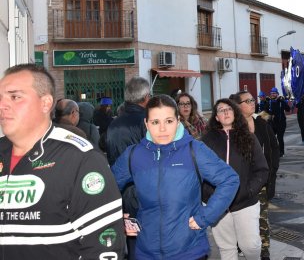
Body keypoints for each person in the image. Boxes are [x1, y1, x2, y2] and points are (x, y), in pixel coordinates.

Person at [0, 64, 125, 258]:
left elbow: (104, 246)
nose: (2, 105)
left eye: (15, 97)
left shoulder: (82, 159)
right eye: (0, 97)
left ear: (45, 103)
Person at [111, 94, 239, 259]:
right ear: (146, 124)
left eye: (169, 121)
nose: (162, 129)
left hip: (189, 251)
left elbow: (229, 180)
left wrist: (205, 217)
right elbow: (107, 188)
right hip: (146, 251)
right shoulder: (133, 155)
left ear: (178, 121)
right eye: (155, 122)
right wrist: (115, 217)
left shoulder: (195, 150)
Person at [202, 99, 270, 260]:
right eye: (221, 110)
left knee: (251, 246)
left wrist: (248, 191)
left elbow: (261, 170)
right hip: (217, 204)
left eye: (229, 109)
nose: (225, 112)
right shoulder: (206, 140)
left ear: (235, 113)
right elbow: (199, 171)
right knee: (226, 248)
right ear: (216, 117)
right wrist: (208, 195)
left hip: (245, 201)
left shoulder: (249, 137)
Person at [106, 76, 151, 259]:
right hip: (145, 190)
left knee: (132, 238)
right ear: (146, 97)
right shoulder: (147, 121)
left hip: (122, 191)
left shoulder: (114, 123)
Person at [231, 91, 280, 260]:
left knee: (262, 218)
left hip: (261, 181)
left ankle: (264, 251)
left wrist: (272, 172)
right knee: (241, 219)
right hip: (241, 184)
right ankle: (241, 246)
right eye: (248, 100)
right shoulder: (233, 128)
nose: (253, 103)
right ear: (238, 106)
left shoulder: (262, 123)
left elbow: (274, 148)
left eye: (253, 100)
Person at [266, 87, 290, 157]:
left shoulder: (280, 101)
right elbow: (265, 112)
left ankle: (281, 152)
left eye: (274, 93)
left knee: (280, 138)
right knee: (271, 138)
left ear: (277, 94)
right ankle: (274, 151)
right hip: (272, 123)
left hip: (281, 123)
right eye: (271, 93)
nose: (273, 94)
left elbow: (288, 109)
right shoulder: (269, 102)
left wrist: (283, 101)